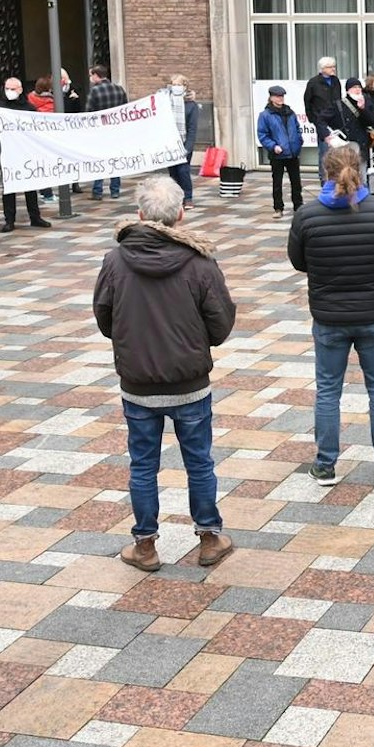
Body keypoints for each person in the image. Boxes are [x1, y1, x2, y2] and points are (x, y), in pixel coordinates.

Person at [94, 176, 238, 571]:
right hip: (189, 382)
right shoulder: (200, 263)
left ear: (140, 215)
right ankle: (209, 537)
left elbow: (105, 318)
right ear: (180, 214)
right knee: (199, 462)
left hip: (138, 383)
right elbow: (221, 324)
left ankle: (144, 545)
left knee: (143, 465)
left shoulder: (115, 260)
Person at [288, 144, 374, 486]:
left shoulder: (307, 215)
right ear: (360, 169)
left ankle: (325, 464)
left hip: (329, 316)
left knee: (328, 390)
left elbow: (299, 262)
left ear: (326, 171)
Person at [0, 77, 51, 231]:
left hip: (26, 153)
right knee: (9, 189)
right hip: (7, 153)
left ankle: (35, 216)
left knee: (31, 186)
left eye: (13, 89)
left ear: (20, 90)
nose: (9, 92)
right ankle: (9, 220)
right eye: (7, 88)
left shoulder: (28, 108)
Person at [258, 85, 304, 218]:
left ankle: (298, 206)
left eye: (282, 96)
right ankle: (278, 208)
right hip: (277, 154)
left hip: (292, 153)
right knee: (277, 182)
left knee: (296, 182)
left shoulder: (290, 112)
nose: (280, 99)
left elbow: (297, 128)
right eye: (278, 96)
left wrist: (299, 141)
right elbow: (263, 135)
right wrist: (273, 146)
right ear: (271, 98)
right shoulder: (265, 115)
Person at [86, 65, 128, 199]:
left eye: (91, 75)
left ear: (96, 75)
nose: (90, 78)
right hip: (116, 130)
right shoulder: (119, 89)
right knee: (115, 159)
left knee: (100, 159)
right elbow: (125, 109)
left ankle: (97, 190)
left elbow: (89, 112)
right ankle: (115, 189)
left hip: (100, 131)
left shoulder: (95, 91)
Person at [304, 56, 349, 167]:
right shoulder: (313, 83)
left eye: (334, 67)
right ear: (322, 68)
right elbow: (307, 102)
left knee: (338, 152)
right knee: (325, 152)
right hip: (322, 122)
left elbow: (339, 100)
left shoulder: (335, 81)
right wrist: (314, 119)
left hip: (336, 121)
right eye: (330, 67)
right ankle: (325, 180)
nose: (333, 69)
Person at [165, 74, 200, 206]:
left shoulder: (191, 105)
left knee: (183, 170)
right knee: (173, 172)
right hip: (170, 143)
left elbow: (192, 128)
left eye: (178, 85)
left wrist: (188, 147)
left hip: (184, 142)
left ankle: (188, 196)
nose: (175, 88)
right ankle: (176, 197)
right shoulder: (167, 102)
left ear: (185, 86)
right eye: (173, 85)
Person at [343, 77, 374, 166]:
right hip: (347, 145)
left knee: (362, 176)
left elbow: (371, 120)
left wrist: (363, 109)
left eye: (359, 87)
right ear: (348, 90)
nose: (357, 90)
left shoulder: (366, 101)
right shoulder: (341, 104)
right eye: (354, 87)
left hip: (362, 144)